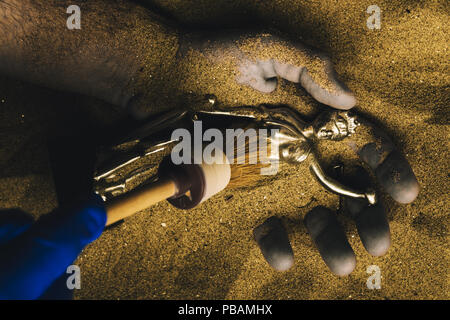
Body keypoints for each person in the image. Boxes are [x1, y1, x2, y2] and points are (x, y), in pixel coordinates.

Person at [0, 0, 416, 299]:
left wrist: (359, 192)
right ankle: (103, 174)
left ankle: (104, 177)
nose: (332, 125)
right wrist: (181, 82)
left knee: (152, 157)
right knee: (149, 146)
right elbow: (256, 112)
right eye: (336, 122)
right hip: (203, 143)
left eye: (337, 126)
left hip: (220, 159)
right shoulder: (295, 123)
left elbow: (322, 176)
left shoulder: (306, 152)